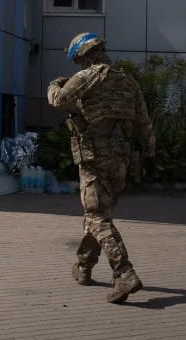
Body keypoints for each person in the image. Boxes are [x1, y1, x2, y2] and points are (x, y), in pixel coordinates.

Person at [46, 32, 155, 304]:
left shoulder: (88, 76)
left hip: (95, 156)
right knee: (99, 215)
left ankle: (124, 273)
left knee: (96, 217)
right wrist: (149, 154)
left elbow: (59, 99)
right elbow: (144, 124)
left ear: (82, 56)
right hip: (122, 158)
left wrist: (54, 84)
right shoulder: (129, 82)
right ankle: (83, 268)